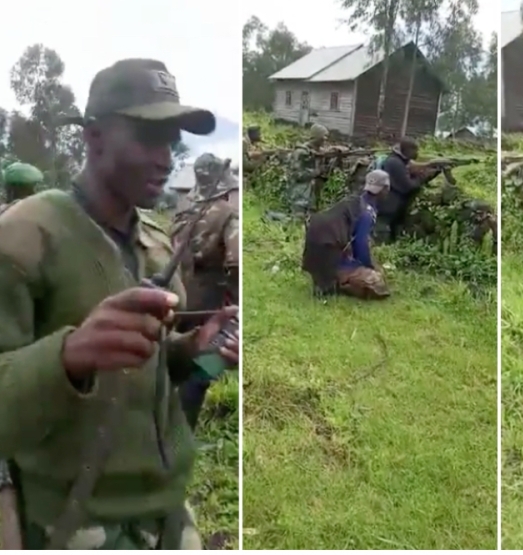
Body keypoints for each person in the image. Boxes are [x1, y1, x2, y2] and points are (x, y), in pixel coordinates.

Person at [0, 58, 239, 549]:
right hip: (74, 524)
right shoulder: (23, 238)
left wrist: (189, 349)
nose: (165, 159)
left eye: (171, 140)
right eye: (148, 137)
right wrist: (68, 357)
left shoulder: (154, 243)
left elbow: (142, 372)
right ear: (93, 138)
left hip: (168, 513)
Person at [170, 153, 240, 432]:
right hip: (207, 302)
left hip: (175, 297)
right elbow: (234, 262)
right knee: (201, 367)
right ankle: (180, 431)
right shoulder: (226, 214)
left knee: (172, 358)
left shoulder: (182, 206)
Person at [302, 170, 392, 300]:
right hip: (333, 255)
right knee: (377, 280)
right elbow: (360, 243)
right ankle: (338, 282)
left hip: (314, 255)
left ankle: (326, 280)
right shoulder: (367, 213)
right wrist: (369, 265)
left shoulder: (353, 201)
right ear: (385, 188)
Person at [375, 137, 445, 242]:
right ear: (407, 150)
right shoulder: (395, 163)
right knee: (381, 240)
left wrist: (431, 169)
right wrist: (424, 176)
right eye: (415, 150)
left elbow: (412, 169)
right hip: (387, 210)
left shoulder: (398, 160)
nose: (417, 153)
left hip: (391, 209)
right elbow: (408, 186)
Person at [287, 123, 330, 219]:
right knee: (297, 220)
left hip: (312, 197)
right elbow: (297, 175)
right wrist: (317, 172)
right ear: (317, 136)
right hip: (300, 195)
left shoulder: (318, 152)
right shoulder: (301, 152)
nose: (325, 139)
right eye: (324, 136)